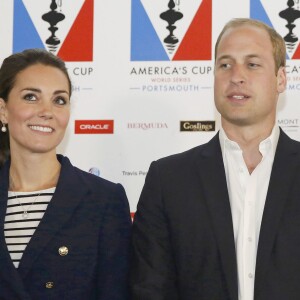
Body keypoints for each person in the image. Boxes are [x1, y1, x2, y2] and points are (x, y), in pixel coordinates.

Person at [130, 18, 300, 300]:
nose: (236, 76)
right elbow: (150, 288)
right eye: (225, 64)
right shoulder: (168, 180)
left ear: (280, 79)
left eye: (253, 64)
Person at [0, 48, 132, 300]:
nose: (47, 111)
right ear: (3, 110)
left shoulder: (103, 200)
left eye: (59, 100)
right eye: (31, 97)